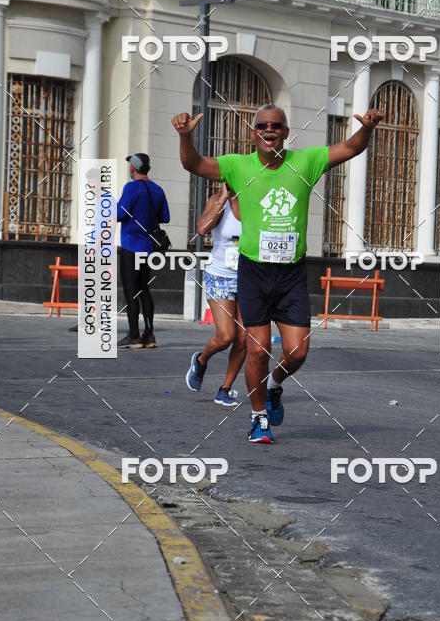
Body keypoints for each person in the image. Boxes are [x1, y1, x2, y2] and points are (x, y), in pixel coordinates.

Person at [172, 103, 383, 444]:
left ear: (285, 132)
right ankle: (258, 420)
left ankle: (273, 386)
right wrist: (185, 136)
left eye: (276, 125)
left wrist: (368, 128)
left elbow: (352, 147)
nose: (269, 130)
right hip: (253, 272)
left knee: (298, 352)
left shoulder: (306, 161)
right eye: (262, 126)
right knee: (256, 350)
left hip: (291, 275)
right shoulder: (237, 166)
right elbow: (193, 164)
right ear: (254, 133)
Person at [185, 182, 247, 407]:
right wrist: (222, 199)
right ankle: (201, 361)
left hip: (250, 278)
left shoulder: (256, 201)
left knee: (243, 338)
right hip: (220, 275)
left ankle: (225, 389)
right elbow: (202, 229)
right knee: (226, 336)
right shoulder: (217, 200)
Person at [117, 153, 170, 349]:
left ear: (133, 168)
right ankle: (149, 335)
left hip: (131, 246)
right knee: (144, 290)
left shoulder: (131, 188)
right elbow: (165, 217)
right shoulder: (157, 189)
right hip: (149, 249)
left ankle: (133, 335)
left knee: (131, 292)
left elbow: (120, 213)